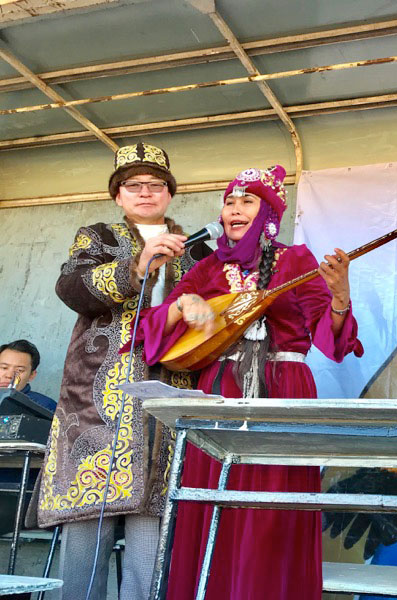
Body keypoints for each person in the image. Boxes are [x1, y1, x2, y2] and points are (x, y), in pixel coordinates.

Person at [136, 166, 363, 600]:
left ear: (270, 212)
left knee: (270, 509)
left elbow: (329, 341)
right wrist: (184, 302)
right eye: (229, 202)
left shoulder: (295, 260)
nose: (235, 209)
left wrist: (339, 297)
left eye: (248, 201)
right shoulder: (206, 268)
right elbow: (151, 330)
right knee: (212, 500)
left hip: (283, 388)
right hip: (219, 391)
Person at [36, 142, 212, 600]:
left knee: (153, 521)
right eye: (134, 185)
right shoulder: (97, 236)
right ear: (118, 195)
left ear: (170, 193)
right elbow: (71, 287)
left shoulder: (195, 250)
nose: (145, 193)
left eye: (156, 185)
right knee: (85, 524)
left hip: (166, 395)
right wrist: (136, 265)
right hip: (97, 397)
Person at [0, 339, 56, 412]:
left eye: (19, 370)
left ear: (31, 375)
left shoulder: (45, 406)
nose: (9, 376)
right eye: (4, 368)